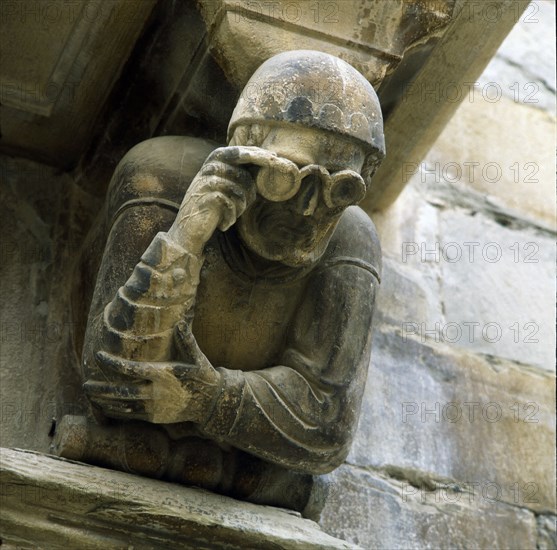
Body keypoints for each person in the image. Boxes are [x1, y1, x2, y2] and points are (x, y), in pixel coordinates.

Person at [71, 50, 385, 517]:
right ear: (241, 155)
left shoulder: (350, 237)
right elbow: (110, 376)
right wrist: (185, 237)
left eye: (341, 188)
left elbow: (327, 425)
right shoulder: (165, 177)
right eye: (287, 177)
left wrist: (207, 397)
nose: (308, 208)